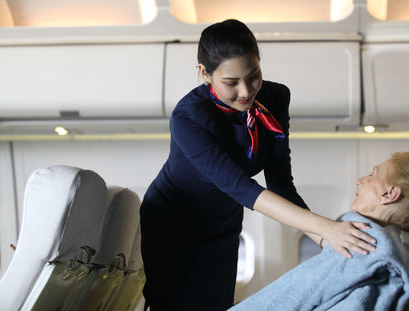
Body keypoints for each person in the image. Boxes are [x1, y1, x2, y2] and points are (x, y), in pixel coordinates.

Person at [139, 19, 375, 311]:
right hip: (174, 224)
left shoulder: (275, 99)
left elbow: (281, 185)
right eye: (230, 83)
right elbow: (243, 189)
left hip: (223, 225)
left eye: (253, 76)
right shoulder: (188, 119)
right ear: (204, 73)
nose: (246, 91)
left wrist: (326, 240)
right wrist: (328, 228)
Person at [229, 152, 409, 311]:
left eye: (372, 175)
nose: (360, 180)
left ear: (390, 194)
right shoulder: (393, 250)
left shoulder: (362, 244)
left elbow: (285, 299)